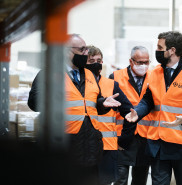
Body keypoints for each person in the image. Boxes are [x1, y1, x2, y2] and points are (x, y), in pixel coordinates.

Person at [27, 34, 122, 185]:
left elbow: (90, 105)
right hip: (63, 148)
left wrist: (103, 103)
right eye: (82, 49)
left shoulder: (89, 74)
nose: (86, 52)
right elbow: (33, 102)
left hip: (89, 148)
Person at [122, 31, 182, 185]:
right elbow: (148, 100)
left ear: (172, 50)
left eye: (160, 47)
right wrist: (137, 112)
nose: (157, 50)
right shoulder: (154, 73)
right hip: (158, 144)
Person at [85, 45, 135, 185]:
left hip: (106, 148)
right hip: (84, 146)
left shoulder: (111, 85)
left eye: (99, 60)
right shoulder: (79, 85)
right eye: (91, 60)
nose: (96, 63)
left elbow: (130, 114)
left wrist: (124, 140)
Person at [109, 46, 152, 185]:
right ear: (131, 61)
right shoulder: (116, 77)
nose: (143, 66)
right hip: (122, 137)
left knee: (140, 180)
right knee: (120, 179)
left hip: (145, 137)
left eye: (146, 62)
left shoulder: (154, 78)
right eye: (140, 62)